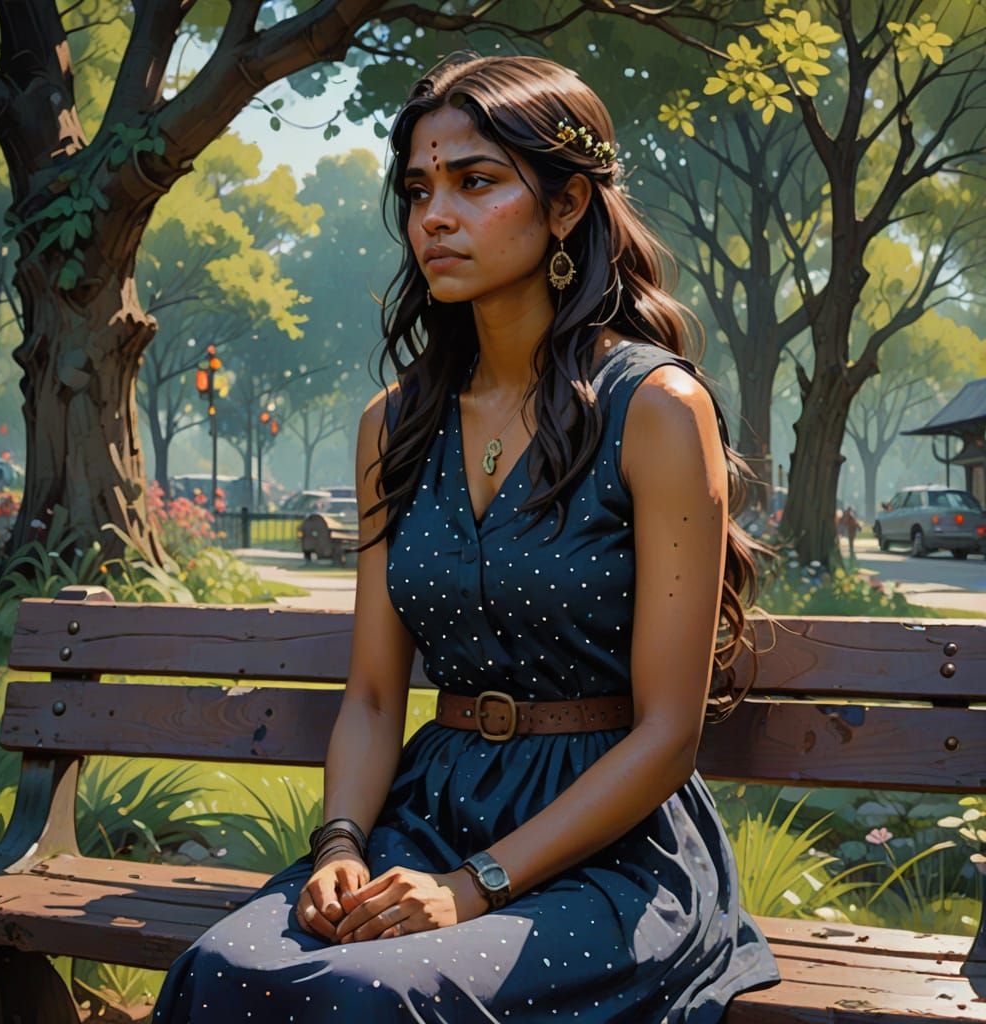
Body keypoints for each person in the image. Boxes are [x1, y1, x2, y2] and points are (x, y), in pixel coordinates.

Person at [153, 53, 782, 1022]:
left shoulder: (654, 407)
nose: (432, 216)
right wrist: (340, 846)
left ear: (567, 205)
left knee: (364, 997)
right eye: (417, 188)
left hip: (606, 851)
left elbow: (668, 733)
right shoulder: (393, 424)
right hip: (425, 818)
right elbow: (371, 693)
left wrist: (474, 885)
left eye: (474, 182)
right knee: (217, 970)